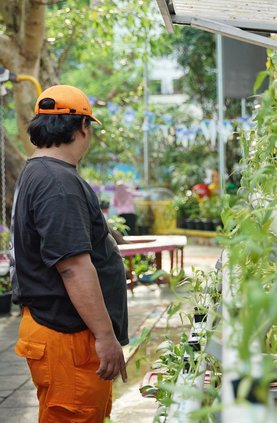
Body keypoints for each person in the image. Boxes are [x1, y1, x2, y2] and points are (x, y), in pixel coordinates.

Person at [9, 85, 128, 423]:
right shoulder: (57, 184)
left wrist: (103, 236)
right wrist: (106, 337)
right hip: (68, 339)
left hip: (57, 331)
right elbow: (73, 268)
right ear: (82, 128)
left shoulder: (38, 172)